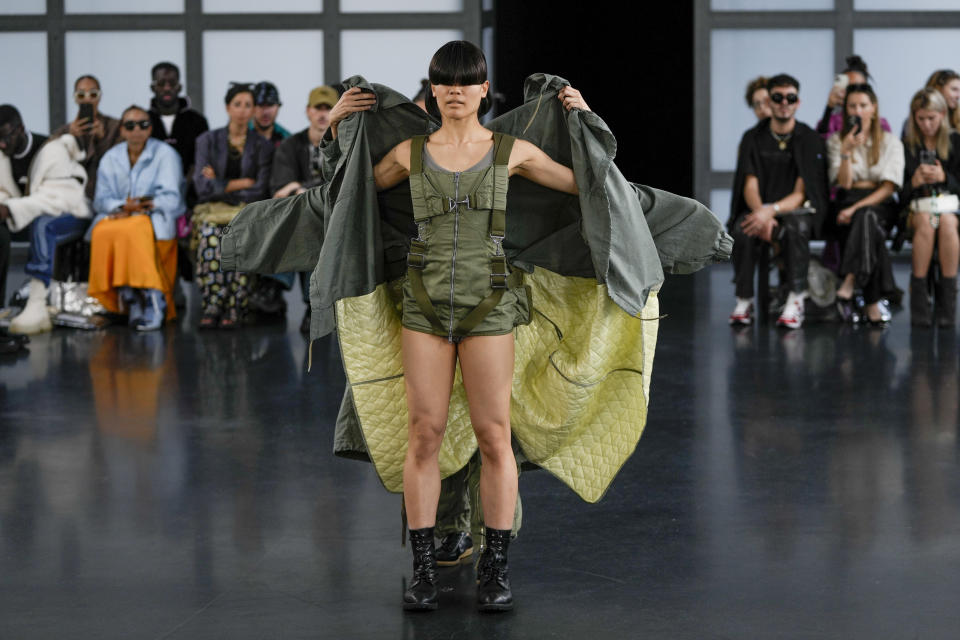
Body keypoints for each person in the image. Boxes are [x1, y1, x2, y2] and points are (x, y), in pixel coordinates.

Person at [221, 43, 730, 615]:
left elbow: (593, 188)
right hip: (423, 306)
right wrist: (335, 131)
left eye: (468, 82)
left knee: (493, 436)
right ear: (433, 90)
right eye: (445, 82)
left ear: (484, 90)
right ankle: (421, 569)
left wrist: (586, 122)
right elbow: (346, 197)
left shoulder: (513, 152)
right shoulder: (409, 154)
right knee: (425, 435)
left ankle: (495, 569)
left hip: (491, 305)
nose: (456, 91)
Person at [728, 74, 828, 328]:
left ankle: (796, 299)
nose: (784, 102)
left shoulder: (808, 138)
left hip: (794, 210)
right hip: (760, 208)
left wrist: (770, 212)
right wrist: (761, 213)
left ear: (798, 102)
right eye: (778, 97)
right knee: (743, 228)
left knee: (796, 227)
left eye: (790, 97)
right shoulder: (752, 137)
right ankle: (744, 299)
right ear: (769, 101)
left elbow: (801, 192)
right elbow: (749, 183)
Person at [88, 105, 185, 331]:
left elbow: (173, 199)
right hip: (120, 216)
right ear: (122, 130)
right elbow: (100, 200)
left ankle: (152, 298)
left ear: (150, 129)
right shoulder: (111, 158)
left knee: (136, 229)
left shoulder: (166, 155)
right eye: (130, 125)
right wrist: (122, 205)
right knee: (102, 231)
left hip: (153, 217)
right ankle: (126, 297)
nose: (137, 130)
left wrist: (144, 205)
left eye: (143, 124)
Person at [0, 104, 90, 335]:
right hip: (26, 214)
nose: (1, 144)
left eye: (5, 137)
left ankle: (36, 304)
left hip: (71, 214)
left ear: (20, 128)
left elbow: (58, 199)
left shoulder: (51, 149)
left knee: (44, 224)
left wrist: (10, 208)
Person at [192, 83, 273, 329]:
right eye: (237, 104)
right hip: (213, 211)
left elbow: (259, 189)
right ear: (228, 107)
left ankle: (236, 305)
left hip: (245, 212)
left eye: (248, 105)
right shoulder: (207, 140)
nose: (242, 110)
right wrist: (238, 184)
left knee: (240, 242)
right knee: (210, 240)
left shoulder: (262, 145)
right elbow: (202, 187)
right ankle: (213, 304)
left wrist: (219, 182)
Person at [826, 83, 904, 325]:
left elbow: (889, 187)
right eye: (852, 106)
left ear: (874, 107)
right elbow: (845, 184)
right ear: (845, 111)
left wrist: (856, 209)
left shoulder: (891, 142)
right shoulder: (836, 142)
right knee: (870, 229)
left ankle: (849, 280)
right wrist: (847, 152)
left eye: (863, 105)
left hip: (880, 202)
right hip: (847, 201)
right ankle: (873, 302)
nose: (857, 111)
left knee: (867, 217)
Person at [269, 85, 338, 334]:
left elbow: (340, 185)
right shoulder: (290, 145)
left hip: (336, 214)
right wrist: (304, 191)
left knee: (311, 222)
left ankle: (278, 285)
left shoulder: (346, 144)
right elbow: (279, 187)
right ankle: (312, 305)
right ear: (308, 111)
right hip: (301, 214)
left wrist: (302, 187)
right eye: (317, 109)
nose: (322, 114)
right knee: (305, 221)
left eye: (328, 108)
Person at [901, 88, 960, 327]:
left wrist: (945, 177)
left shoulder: (956, 142)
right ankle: (920, 299)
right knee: (927, 221)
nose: (926, 124)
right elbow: (898, 194)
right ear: (914, 117)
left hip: (950, 209)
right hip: (917, 209)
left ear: (943, 114)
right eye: (921, 118)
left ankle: (947, 301)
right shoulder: (906, 145)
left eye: (931, 118)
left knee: (944, 221)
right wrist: (913, 182)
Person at [51, 74, 121, 200]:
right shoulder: (63, 132)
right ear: (75, 98)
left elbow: (121, 163)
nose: (87, 100)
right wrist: (69, 138)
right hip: (72, 197)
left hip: (107, 195)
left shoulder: (116, 127)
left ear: (100, 97)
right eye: (81, 95)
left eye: (93, 94)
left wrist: (103, 139)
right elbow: (52, 163)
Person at [148, 62, 209, 184]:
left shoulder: (198, 121)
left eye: (172, 83)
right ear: (153, 88)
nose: (167, 88)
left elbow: (203, 160)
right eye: (161, 83)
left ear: (179, 87)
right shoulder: (144, 122)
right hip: (152, 190)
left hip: (191, 192)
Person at [817, 55, 891, 139]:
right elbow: (820, 142)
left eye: (859, 87)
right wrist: (829, 107)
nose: (854, 93)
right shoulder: (832, 121)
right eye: (849, 88)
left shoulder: (881, 123)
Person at [250, 81, 290, 147]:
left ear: (278, 107)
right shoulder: (238, 136)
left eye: (270, 105)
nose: (265, 112)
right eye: (261, 105)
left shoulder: (287, 140)